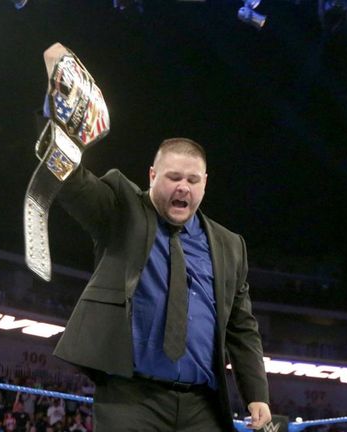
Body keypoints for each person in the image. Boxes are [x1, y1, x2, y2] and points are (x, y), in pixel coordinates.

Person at [39, 43, 271, 431]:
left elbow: (241, 326)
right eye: (173, 177)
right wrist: (58, 120)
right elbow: (72, 183)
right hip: (132, 399)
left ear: (205, 185)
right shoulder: (122, 208)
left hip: (203, 404)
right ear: (151, 177)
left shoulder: (230, 245)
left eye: (193, 180)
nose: (183, 187)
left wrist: (257, 393)